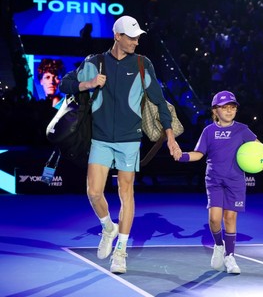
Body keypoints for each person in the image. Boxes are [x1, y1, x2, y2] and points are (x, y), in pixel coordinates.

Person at [60, 15, 181, 274]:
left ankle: (121, 251)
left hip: (129, 140)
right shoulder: (94, 62)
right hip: (100, 139)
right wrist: (89, 84)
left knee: (127, 193)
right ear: (118, 36)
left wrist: (170, 136)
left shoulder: (142, 64)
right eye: (132, 37)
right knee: (93, 192)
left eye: (138, 37)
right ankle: (108, 228)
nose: (136, 41)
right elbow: (65, 83)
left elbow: (160, 102)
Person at [175, 90, 263, 274]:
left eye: (232, 107)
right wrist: (181, 156)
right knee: (214, 219)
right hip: (214, 180)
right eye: (224, 107)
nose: (229, 111)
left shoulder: (242, 130)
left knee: (230, 218)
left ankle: (230, 257)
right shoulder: (208, 131)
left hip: (235, 181)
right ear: (215, 110)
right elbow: (199, 154)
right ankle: (218, 245)